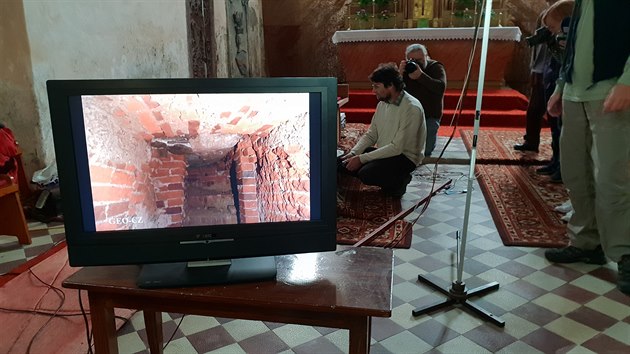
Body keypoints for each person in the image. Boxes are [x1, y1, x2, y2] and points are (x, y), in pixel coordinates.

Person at [544, 0, 630, 295]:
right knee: (575, 172)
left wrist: (628, 81)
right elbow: (573, 46)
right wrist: (559, 87)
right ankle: (586, 242)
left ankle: (626, 252)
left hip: (611, 88)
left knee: (613, 177)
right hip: (573, 93)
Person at [339, 63, 426, 198]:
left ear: (390, 85)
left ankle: (399, 181)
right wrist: (354, 153)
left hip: (404, 158)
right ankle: (387, 175)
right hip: (388, 153)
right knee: (341, 162)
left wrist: (362, 159)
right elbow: (371, 134)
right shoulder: (383, 103)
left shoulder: (411, 108)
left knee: (366, 173)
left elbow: (397, 148)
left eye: (376, 86)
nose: (373, 90)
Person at [536, 0, 575, 183]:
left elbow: (566, 64)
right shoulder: (560, 39)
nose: (552, 32)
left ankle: (562, 168)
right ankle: (556, 162)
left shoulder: (571, 40)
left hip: (571, 91)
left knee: (565, 135)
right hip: (555, 83)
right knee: (556, 129)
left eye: (553, 27)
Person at [514, 1, 558, 153]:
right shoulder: (544, 14)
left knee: (554, 113)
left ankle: (557, 150)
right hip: (541, 68)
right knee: (534, 108)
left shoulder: (564, 12)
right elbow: (538, 45)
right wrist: (535, 68)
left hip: (554, 69)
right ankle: (531, 141)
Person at [398, 44, 446, 157]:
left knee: (425, 151)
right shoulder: (406, 69)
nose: (416, 63)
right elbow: (394, 92)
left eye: (419, 59)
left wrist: (421, 76)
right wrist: (399, 74)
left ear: (426, 56)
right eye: (412, 60)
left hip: (430, 115)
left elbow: (440, 87)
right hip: (409, 115)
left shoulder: (435, 67)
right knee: (401, 148)